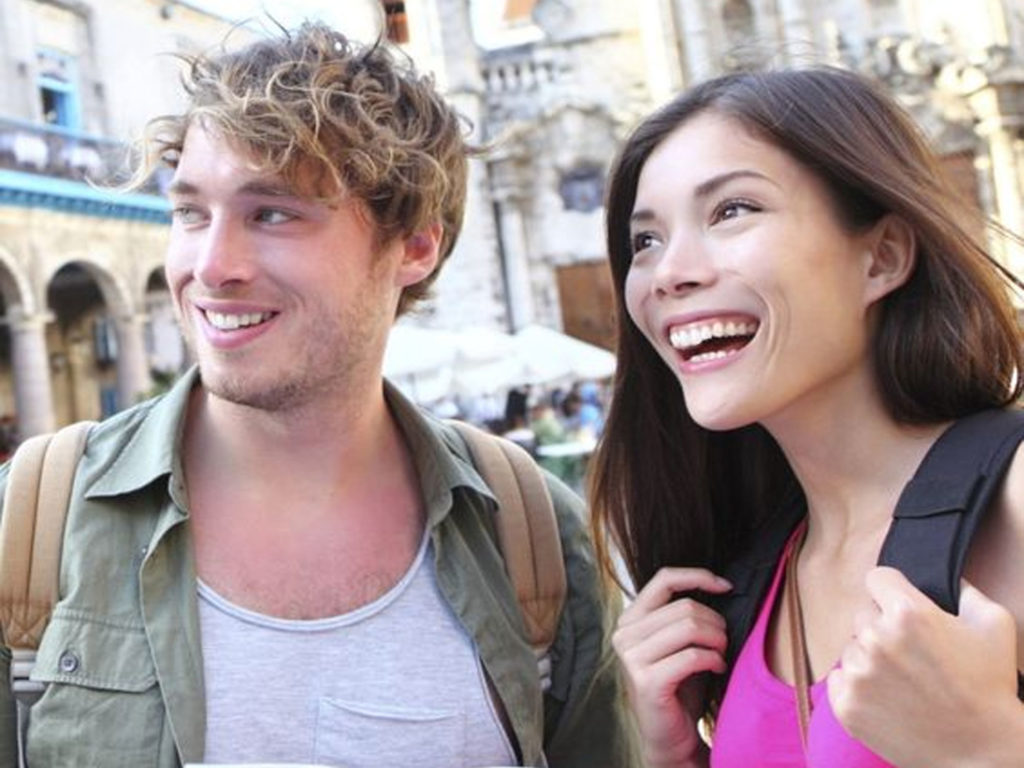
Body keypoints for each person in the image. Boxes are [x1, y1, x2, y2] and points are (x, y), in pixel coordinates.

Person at [0, 22, 629, 767]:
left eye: (273, 213)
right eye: (190, 212)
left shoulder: (530, 533)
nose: (211, 266)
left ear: (415, 245)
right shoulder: (32, 525)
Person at [589, 65, 1024, 767]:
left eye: (732, 211)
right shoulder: (751, 573)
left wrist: (987, 750)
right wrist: (673, 756)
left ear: (882, 257)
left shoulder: (1013, 501)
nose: (669, 273)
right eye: (646, 241)